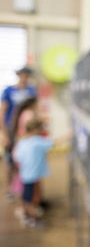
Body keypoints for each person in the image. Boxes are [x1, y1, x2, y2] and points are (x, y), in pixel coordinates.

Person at [0, 67, 36, 200]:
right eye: (22, 75)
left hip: (26, 133)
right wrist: (4, 134)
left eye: (27, 75)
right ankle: (10, 189)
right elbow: (2, 112)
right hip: (11, 131)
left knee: (25, 162)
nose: (24, 78)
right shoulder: (8, 91)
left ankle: (21, 189)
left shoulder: (31, 90)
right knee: (10, 161)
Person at [14, 119, 52, 227]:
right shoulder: (37, 141)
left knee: (26, 197)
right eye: (40, 129)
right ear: (36, 129)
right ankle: (33, 220)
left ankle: (26, 216)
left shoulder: (22, 141)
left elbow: (17, 157)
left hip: (24, 174)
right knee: (29, 199)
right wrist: (70, 134)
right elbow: (52, 142)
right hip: (31, 175)